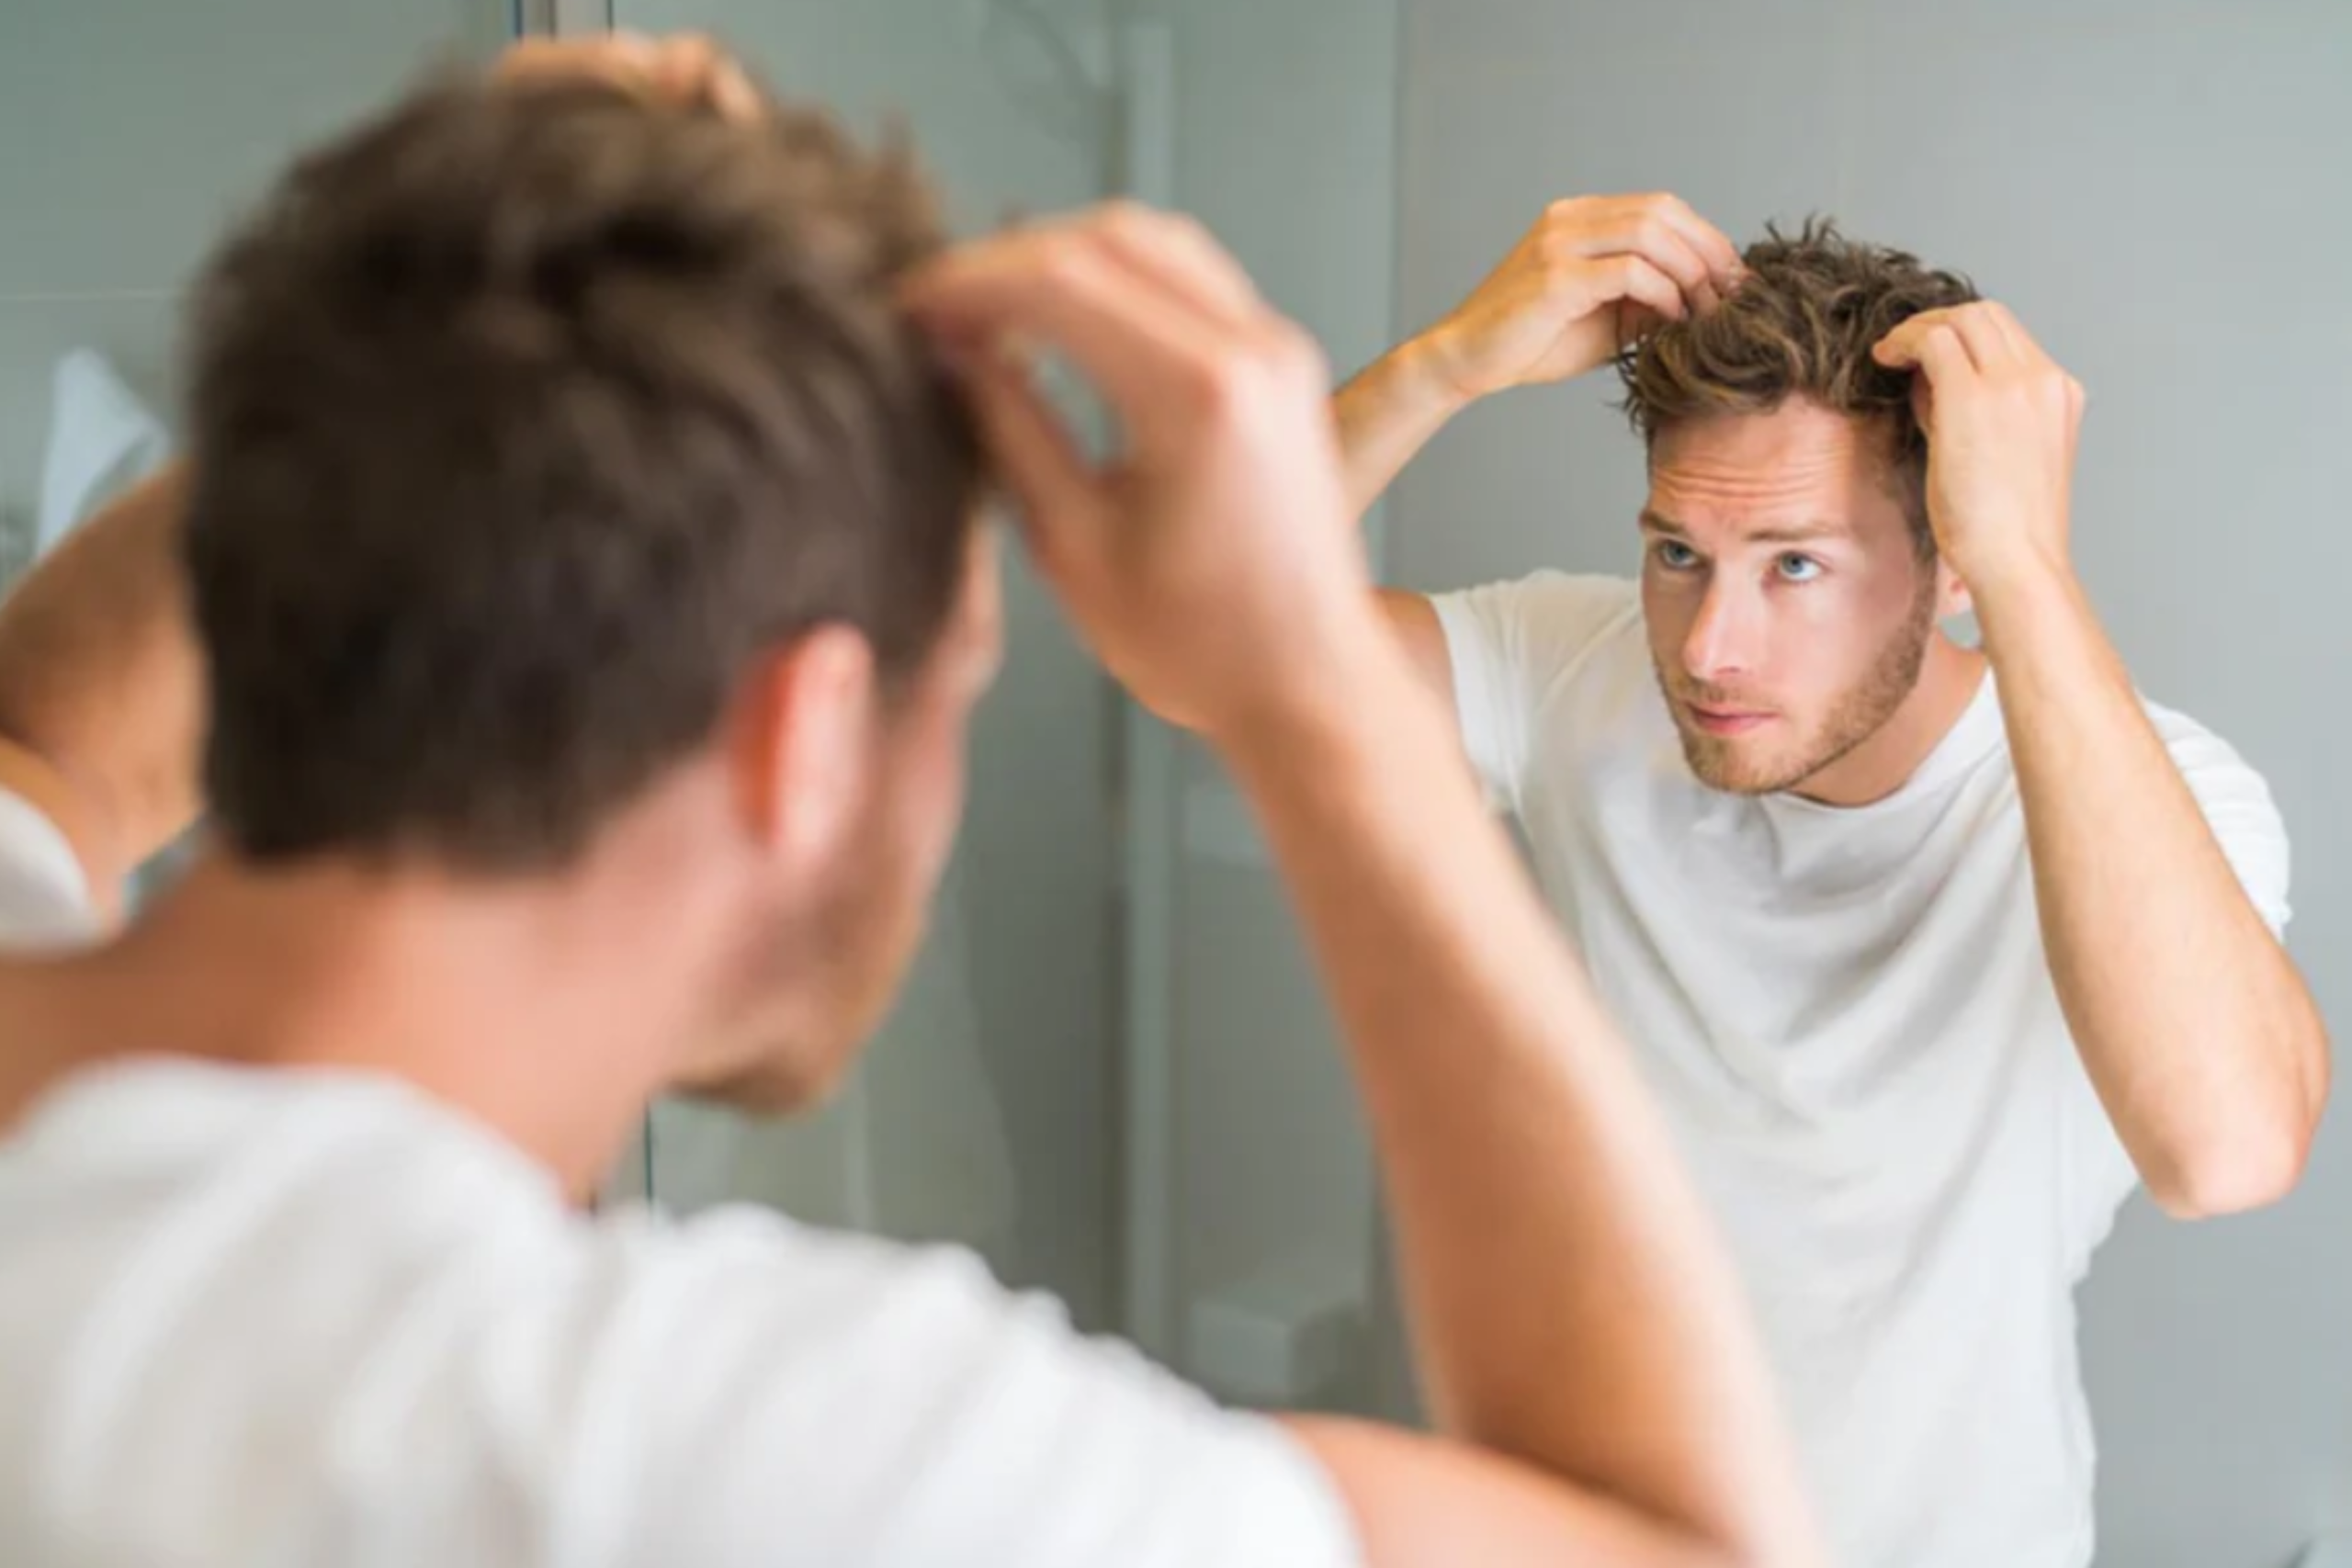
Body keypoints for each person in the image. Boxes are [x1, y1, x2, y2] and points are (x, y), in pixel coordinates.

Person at [0, 38, 1826, 1568]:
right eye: (955, 676)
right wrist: (1299, 684)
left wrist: (458, 292)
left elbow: (53, 740)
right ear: (803, 736)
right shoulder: (698, 1458)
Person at [1335, 197, 2332, 1567]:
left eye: (1794, 563)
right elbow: (1193, 643)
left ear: (1953, 567)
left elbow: (2225, 1151)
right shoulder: (1579, 668)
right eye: (1681, 554)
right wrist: (1443, 360)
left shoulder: (2157, 791)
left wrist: (2026, 563)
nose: (1709, 648)